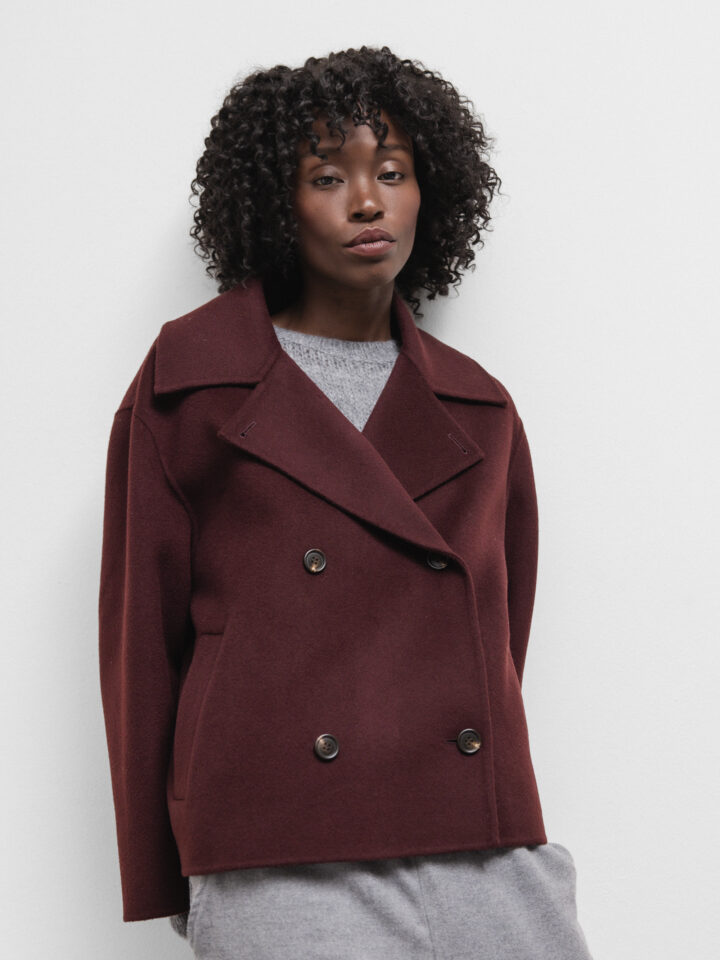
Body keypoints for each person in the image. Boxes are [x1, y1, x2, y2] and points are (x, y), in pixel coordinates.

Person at [98, 45, 595, 959]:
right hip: (278, 847)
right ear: (273, 203)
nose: (368, 201)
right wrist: (169, 874)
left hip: (481, 846)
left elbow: (495, 642)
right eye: (328, 177)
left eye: (393, 173)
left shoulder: (478, 408)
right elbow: (140, 646)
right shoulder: (189, 384)